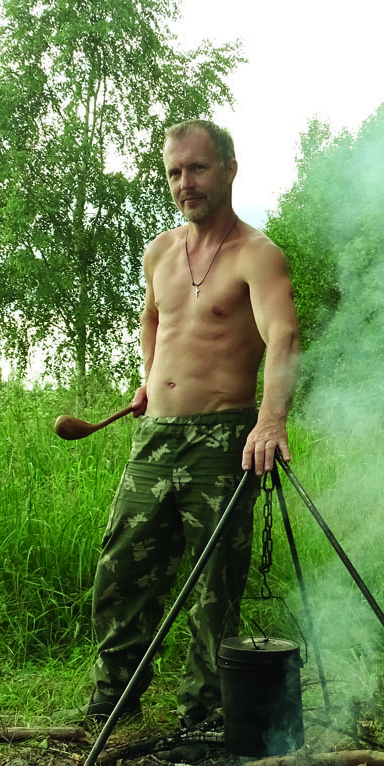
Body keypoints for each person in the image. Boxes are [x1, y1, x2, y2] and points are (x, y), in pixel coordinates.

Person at [78, 118, 300, 726]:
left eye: (197, 168)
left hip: (222, 437)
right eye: (175, 172)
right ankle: (115, 694)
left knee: (213, 588)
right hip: (155, 438)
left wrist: (270, 420)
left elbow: (283, 334)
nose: (185, 183)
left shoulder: (257, 255)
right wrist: (150, 376)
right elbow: (153, 319)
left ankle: (200, 714)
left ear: (229, 169)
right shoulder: (159, 253)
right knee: (121, 567)